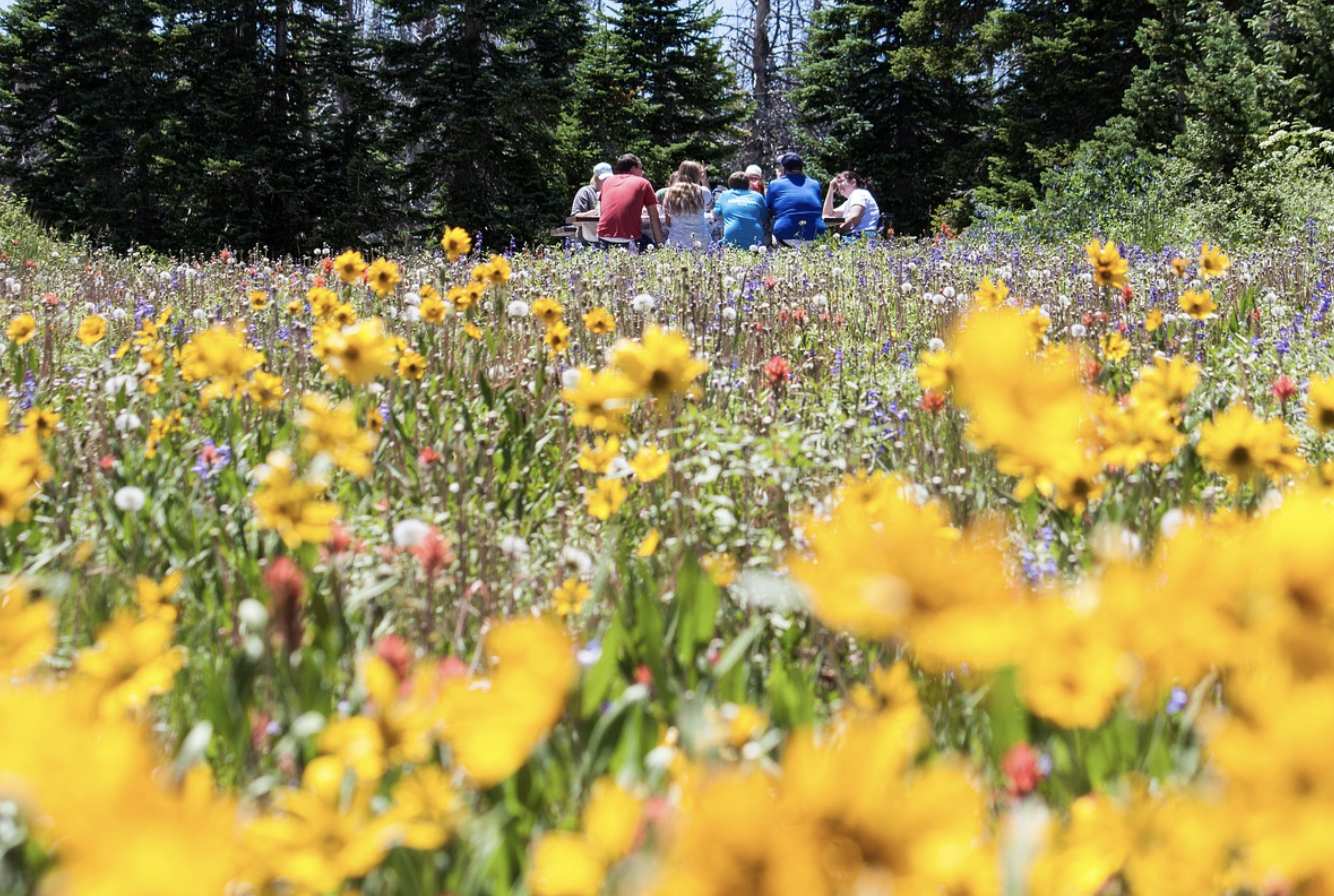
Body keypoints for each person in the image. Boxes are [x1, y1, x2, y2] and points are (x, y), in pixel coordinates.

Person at [597, 153, 664, 250]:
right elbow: (654, 218)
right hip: (630, 239)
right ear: (633, 169)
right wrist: (660, 246)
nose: (643, 172)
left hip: (603, 237)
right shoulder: (643, 183)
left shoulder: (607, 182)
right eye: (641, 168)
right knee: (651, 251)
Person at [766, 152, 825, 247]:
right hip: (816, 235)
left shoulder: (775, 184)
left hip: (786, 236)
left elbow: (768, 210)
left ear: (783, 170)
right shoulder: (814, 184)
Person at [662, 160, 713, 249]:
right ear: (697, 174)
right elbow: (710, 206)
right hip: (701, 240)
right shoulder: (703, 191)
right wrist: (704, 180)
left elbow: (668, 222)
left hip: (676, 242)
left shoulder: (670, 192)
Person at [715, 171, 770, 250]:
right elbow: (765, 218)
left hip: (731, 236)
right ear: (748, 185)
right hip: (755, 238)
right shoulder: (758, 196)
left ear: (730, 185)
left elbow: (716, 214)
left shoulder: (725, 195)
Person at [823, 170, 881, 238]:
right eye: (837, 183)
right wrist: (831, 189)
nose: (838, 185)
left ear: (853, 182)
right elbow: (827, 215)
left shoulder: (859, 193)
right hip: (854, 237)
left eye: (841, 181)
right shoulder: (849, 201)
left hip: (861, 238)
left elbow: (854, 218)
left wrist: (837, 232)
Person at [570, 162, 613, 246]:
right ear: (596, 179)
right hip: (586, 241)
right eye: (604, 179)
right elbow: (575, 219)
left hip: (608, 239)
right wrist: (595, 211)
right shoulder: (586, 192)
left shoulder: (613, 193)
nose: (607, 182)